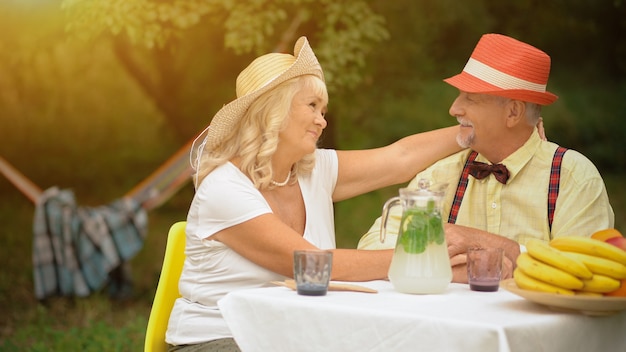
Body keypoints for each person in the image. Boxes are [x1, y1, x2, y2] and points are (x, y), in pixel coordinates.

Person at [165, 36, 462, 351]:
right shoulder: (223, 187)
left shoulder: (313, 169)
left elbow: (399, 158)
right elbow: (314, 266)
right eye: (312, 106)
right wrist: (418, 259)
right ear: (274, 110)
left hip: (297, 336)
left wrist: (471, 131)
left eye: (323, 110)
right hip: (221, 338)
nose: (322, 121)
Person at [358, 33, 615, 283]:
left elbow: (587, 274)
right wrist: (451, 267)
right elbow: (372, 247)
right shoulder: (441, 174)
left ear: (513, 112)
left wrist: (495, 247)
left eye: (470, 98)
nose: (454, 109)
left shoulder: (573, 178)